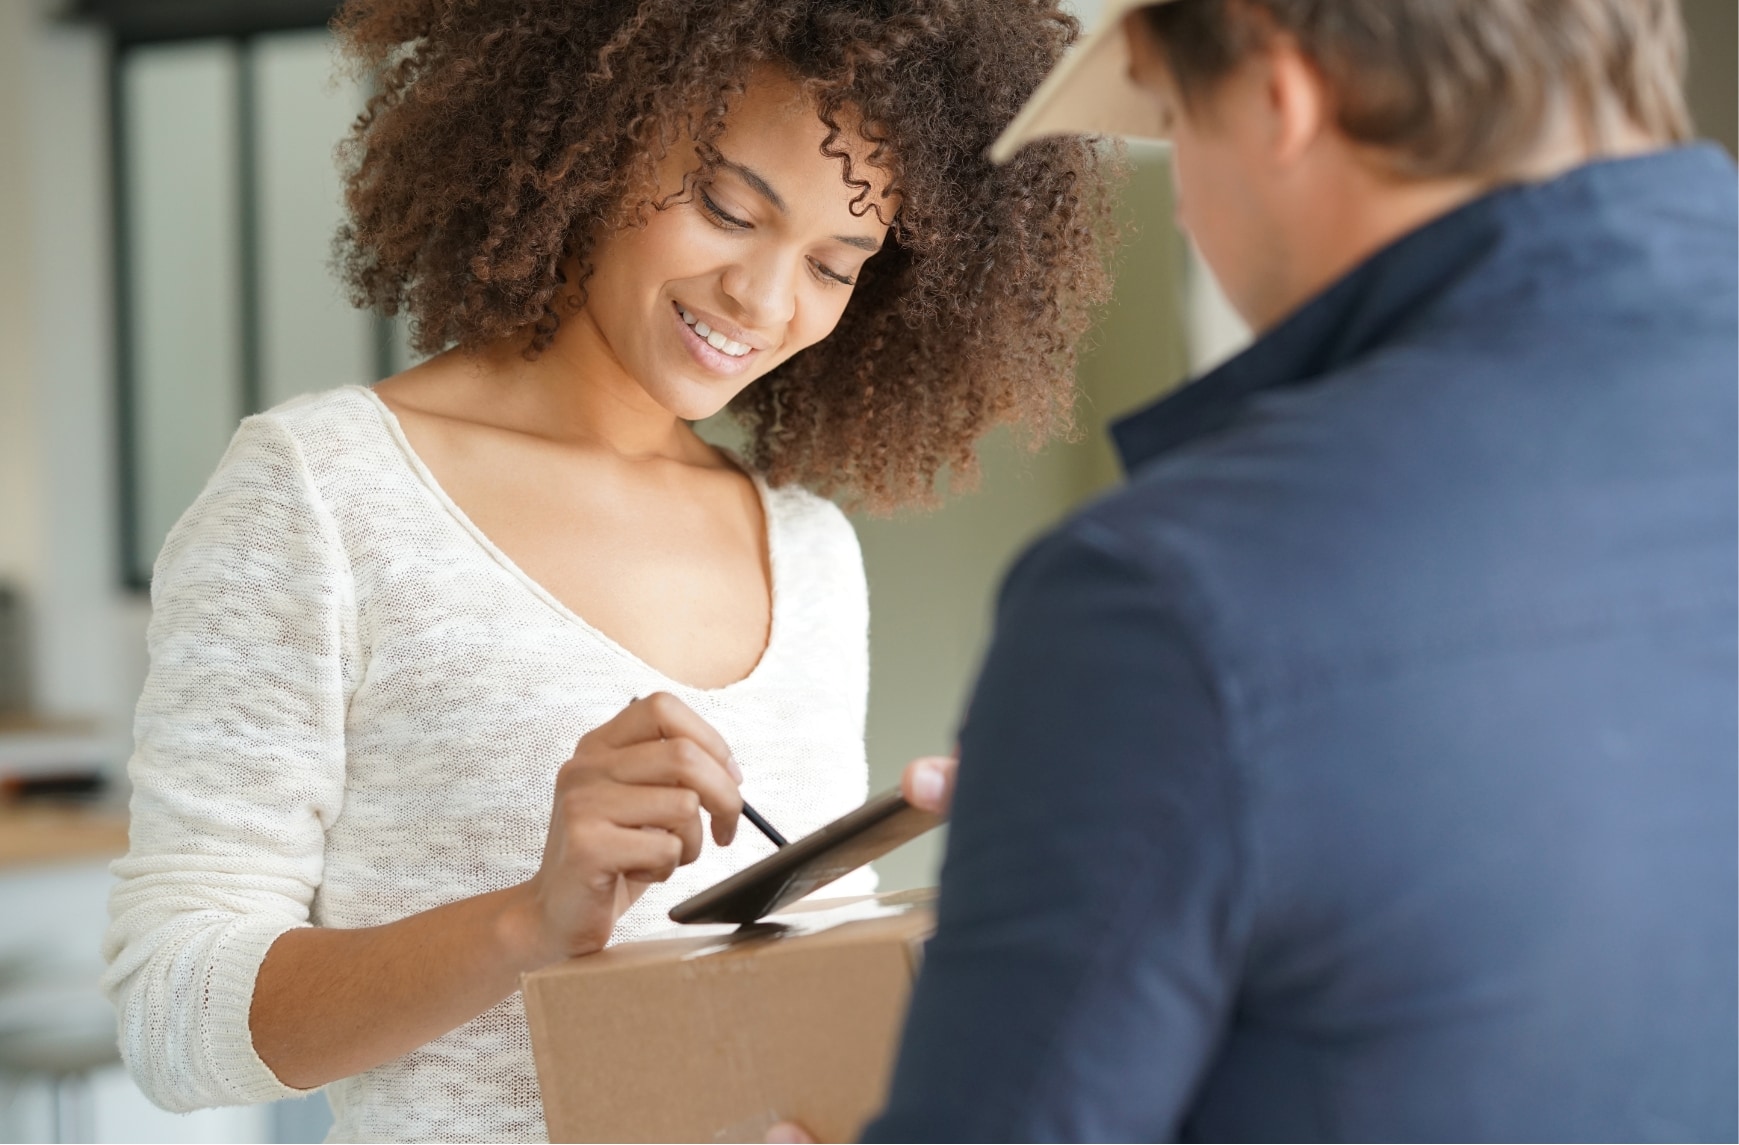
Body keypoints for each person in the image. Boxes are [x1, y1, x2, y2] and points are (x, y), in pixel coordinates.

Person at [99, 1, 1114, 1140]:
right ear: (597, 125)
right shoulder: (326, 493)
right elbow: (170, 1020)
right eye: (728, 208)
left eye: (835, 265)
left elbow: (811, 996)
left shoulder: (806, 550)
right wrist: (526, 923)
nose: (763, 300)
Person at [845, 0, 1737, 1140]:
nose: (1183, 204)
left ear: (1280, 97)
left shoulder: (1167, 600)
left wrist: (1123, 758)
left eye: (1174, 121)